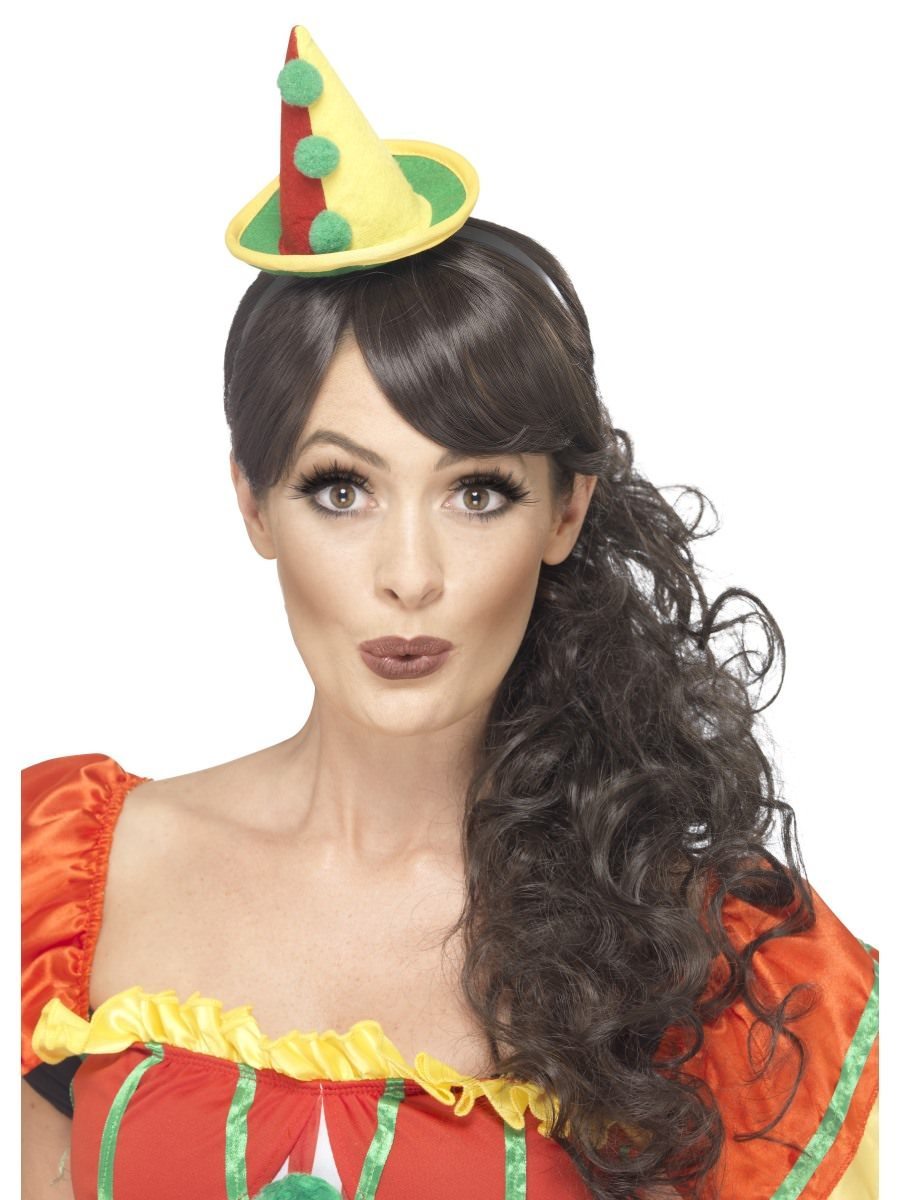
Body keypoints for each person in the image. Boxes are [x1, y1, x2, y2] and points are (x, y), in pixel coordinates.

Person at [21, 25, 877, 1200]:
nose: (409, 574)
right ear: (253, 504)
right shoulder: (61, 874)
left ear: (565, 512)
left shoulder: (719, 959)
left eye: (477, 493)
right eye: (341, 489)